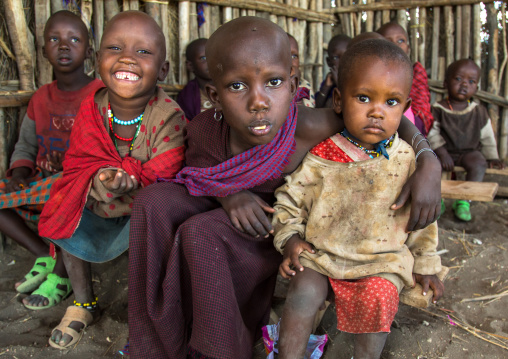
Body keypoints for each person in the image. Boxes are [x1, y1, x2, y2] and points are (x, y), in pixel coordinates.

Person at [128, 16, 443, 359]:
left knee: (200, 233)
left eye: (274, 82)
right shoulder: (206, 128)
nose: (258, 101)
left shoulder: (311, 125)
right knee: (151, 201)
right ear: (214, 96)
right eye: (237, 86)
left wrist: (428, 160)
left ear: (293, 88)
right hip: (228, 202)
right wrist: (229, 195)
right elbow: (199, 168)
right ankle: (156, 341)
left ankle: (220, 349)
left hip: (273, 222)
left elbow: (382, 120)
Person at [273, 39, 444, 359]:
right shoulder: (322, 155)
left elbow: (423, 220)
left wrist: (426, 265)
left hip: (380, 261)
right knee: (302, 292)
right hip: (322, 255)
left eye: (391, 102)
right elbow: (289, 200)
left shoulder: (408, 161)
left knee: (378, 299)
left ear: (405, 105)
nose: (377, 111)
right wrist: (291, 239)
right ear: (339, 99)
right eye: (363, 98)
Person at [36, 10, 185, 349]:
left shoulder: (169, 117)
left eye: (143, 52)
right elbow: (78, 162)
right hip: (98, 199)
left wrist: (130, 178)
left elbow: (170, 167)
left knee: (158, 211)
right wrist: (99, 178)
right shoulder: (92, 105)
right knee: (65, 195)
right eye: (115, 48)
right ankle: (84, 302)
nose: (128, 58)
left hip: (142, 213)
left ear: (163, 70)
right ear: (98, 58)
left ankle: (147, 314)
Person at [0, 10, 103, 308]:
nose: (64, 45)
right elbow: (25, 146)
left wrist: (72, 164)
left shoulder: (99, 94)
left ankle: (60, 273)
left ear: (88, 50)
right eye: (54, 39)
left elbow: (105, 148)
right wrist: (19, 175)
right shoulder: (41, 98)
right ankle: (44, 253)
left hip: (77, 183)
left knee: (76, 196)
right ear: (44, 50)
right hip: (42, 182)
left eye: (74, 39)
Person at [428, 58, 504, 221]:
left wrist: (493, 157)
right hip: (444, 152)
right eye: (458, 79)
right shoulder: (438, 109)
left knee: (479, 163)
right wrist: (441, 153)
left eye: (471, 81)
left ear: (476, 88)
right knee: (432, 165)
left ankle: (464, 201)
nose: (464, 85)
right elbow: (432, 133)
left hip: (469, 152)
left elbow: (487, 135)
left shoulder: (479, 111)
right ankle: (437, 199)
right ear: (445, 83)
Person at [377, 21, 434, 135]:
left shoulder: (416, 72)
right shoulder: (374, 73)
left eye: (400, 40)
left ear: (408, 48)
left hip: (411, 128)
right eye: (388, 41)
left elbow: (421, 109)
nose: (395, 45)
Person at [177, 38, 213, 120]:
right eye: (203, 58)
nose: (211, 61)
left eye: (213, 56)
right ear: (190, 66)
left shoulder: (229, 88)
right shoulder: (187, 96)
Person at [315, 34, 350, 108]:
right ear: (328, 62)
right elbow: (317, 106)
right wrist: (326, 87)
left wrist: (338, 82)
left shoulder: (357, 80)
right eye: (336, 57)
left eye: (347, 56)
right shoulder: (329, 81)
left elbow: (351, 103)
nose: (342, 61)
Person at [287, 33, 315, 108]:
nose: (291, 61)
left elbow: (309, 113)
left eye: (294, 56)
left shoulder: (305, 85)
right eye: (285, 55)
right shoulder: (273, 86)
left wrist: (295, 87)